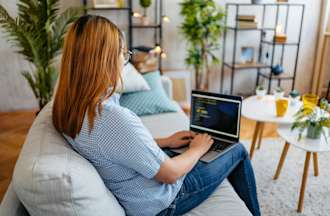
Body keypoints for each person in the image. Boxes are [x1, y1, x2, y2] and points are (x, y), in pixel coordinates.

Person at [52, 15, 260, 216]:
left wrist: (165, 142)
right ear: (105, 60)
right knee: (237, 150)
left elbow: (114, 146)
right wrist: (197, 150)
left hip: (141, 183)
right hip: (163, 202)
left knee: (191, 147)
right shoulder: (113, 117)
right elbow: (170, 175)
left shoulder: (69, 106)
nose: (124, 62)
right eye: (123, 55)